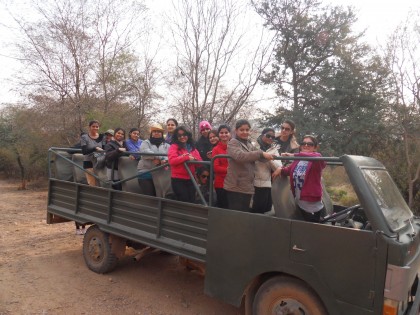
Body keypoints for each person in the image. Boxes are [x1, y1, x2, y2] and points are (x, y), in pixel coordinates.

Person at [272, 135, 326, 223]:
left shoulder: (316, 160)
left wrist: (293, 154)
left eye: (310, 144)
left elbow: (318, 157)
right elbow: (289, 171)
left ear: (315, 148)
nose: (306, 145)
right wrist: (280, 169)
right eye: (303, 143)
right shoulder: (298, 160)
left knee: (311, 227)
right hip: (299, 200)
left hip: (311, 202)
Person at [224, 119, 274, 212]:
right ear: (236, 131)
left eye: (247, 130)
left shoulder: (249, 144)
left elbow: (260, 155)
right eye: (242, 130)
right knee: (236, 215)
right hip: (236, 186)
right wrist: (260, 154)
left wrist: (274, 155)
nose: (245, 132)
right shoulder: (233, 142)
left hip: (246, 186)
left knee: (244, 214)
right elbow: (240, 156)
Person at [78, 120, 105, 234]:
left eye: (97, 126)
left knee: (102, 184)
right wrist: (94, 149)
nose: (95, 128)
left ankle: (101, 208)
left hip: (100, 162)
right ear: (89, 127)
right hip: (89, 163)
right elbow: (84, 151)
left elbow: (104, 148)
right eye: (93, 126)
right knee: (92, 185)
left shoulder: (102, 137)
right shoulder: (85, 137)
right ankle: (94, 209)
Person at [168, 126, 202, 203]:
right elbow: (172, 161)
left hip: (191, 179)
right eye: (179, 135)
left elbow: (200, 162)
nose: (182, 137)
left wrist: (194, 159)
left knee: (192, 200)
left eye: (184, 134)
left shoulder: (192, 148)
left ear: (188, 135)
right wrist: (186, 157)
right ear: (176, 137)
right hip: (178, 179)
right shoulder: (174, 147)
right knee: (184, 201)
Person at [252, 128, 282, 214]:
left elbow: (278, 167)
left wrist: (268, 158)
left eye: (273, 137)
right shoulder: (253, 146)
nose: (270, 138)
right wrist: (261, 154)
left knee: (263, 210)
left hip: (265, 184)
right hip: (250, 182)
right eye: (268, 136)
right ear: (262, 135)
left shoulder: (274, 149)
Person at [137, 123, 171, 197]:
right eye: (154, 131)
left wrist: (164, 160)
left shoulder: (167, 145)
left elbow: (170, 156)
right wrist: (160, 158)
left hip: (161, 173)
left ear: (161, 133)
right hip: (146, 171)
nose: (156, 133)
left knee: (162, 196)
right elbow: (145, 152)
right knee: (150, 196)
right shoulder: (146, 142)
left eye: (158, 131)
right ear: (151, 133)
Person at [211, 124, 231, 208]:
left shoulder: (234, 147)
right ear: (219, 134)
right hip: (221, 183)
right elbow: (216, 167)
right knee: (223, 206)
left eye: (226, 132)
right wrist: (229, 170)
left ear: (230, 134)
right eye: (221, 133)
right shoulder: (215, 149)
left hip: (233, 182)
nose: (224, 135)